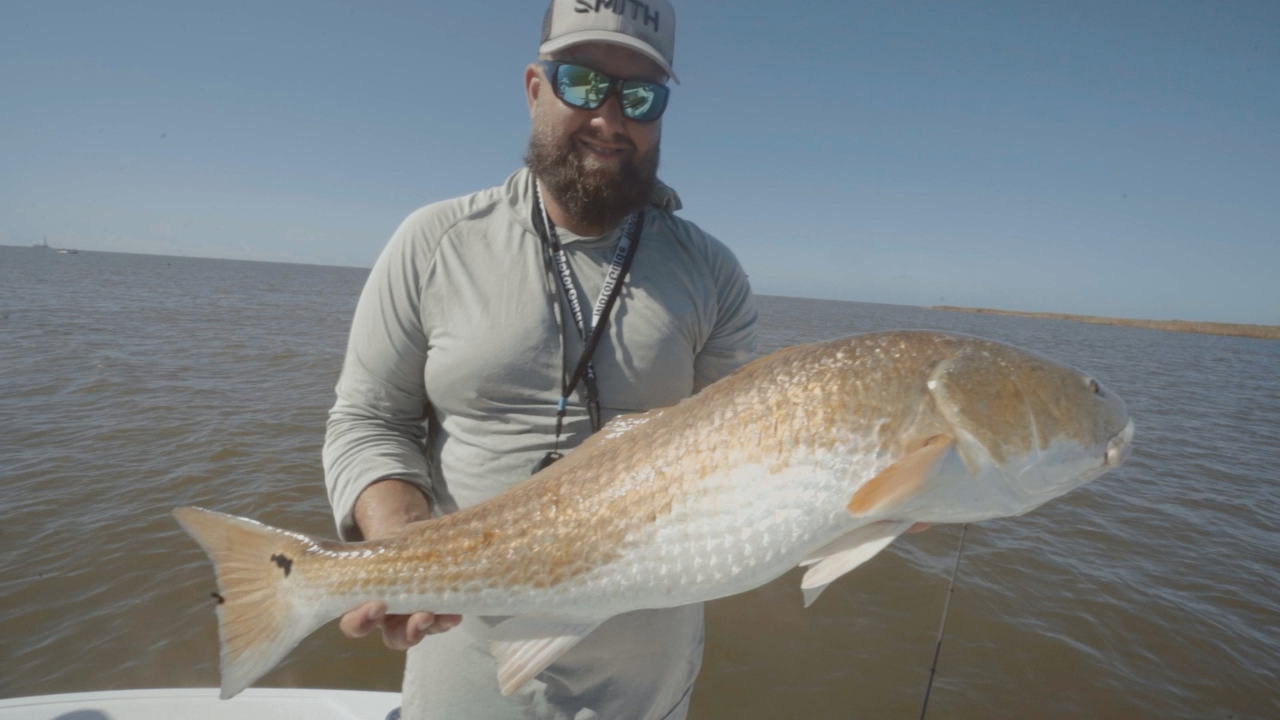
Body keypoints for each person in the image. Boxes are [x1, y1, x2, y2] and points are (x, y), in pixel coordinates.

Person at [322, 1, 758, 717]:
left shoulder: (712, 273)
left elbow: (743, 454)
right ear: (533, 87)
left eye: (641, 96)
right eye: (582, 83)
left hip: (646, 684)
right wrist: (399, 545)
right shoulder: (433, 242)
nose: (611, 119)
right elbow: (369, 419)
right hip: (463, 663)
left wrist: (875, 492)